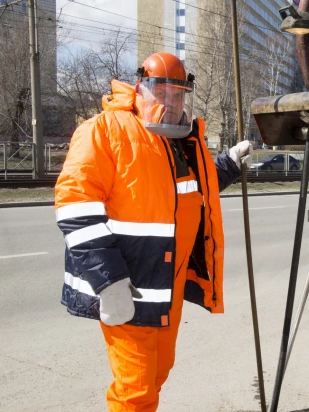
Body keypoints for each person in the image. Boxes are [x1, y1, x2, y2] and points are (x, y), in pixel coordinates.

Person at [55, 51, 252, 411]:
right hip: (128, 288)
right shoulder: (103, 131)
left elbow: (193, 188)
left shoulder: (180, 139)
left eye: (178, 95)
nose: (171, 103)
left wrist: (229, 163)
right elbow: (75, 206)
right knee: (136, 391)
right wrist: (109, 283)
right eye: (161, 92)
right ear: (140, 87)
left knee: (158, 374)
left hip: (166, 287)